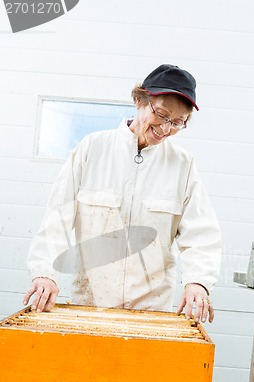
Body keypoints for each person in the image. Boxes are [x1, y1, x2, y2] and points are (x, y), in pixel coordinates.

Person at [23, 64, 221, 323]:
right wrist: (44, 273)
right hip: (91, 305)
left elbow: (201, 234)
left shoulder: (183, 164)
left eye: (178, 122)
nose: (166, 128)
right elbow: (57, 219)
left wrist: (198, 283)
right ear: (139, 100)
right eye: (161, 114)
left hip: (151, 311)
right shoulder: (92, 148)